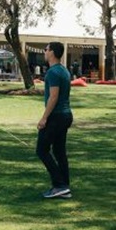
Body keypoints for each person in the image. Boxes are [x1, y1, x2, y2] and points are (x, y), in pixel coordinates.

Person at [37, 42, 73, 199]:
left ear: (51, 52)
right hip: (65, 115)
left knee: (41, 150)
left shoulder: (52, 73)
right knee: (59, 152)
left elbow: (54, 96)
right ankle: (64, 186)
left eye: (46, 49)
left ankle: (59, 185)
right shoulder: (64, 70)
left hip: (56, 116)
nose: (44, 52)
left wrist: (44, 118)